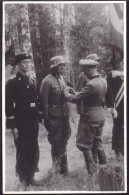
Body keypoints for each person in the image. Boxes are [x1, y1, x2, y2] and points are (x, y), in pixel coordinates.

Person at [64, 59, 107, 176]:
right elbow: (86, 94)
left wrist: (66, 93)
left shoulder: (91, 84)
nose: (84, 73)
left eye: (84, 71)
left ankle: (92, 174)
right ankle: (105, 170)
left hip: (90, 117)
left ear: (88, 70)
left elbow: (75, 99)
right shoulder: (102, 80)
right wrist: (75, 91)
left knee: (84, 145)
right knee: (98, 143)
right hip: (100, 114)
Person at [5, 52, 42, 186]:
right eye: (24, 62)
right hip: (20, 122)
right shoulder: (12, 82)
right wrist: (12, 126)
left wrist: (40, 117)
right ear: (18, 65)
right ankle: (22, 178)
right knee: (22, 148)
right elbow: (8, 106)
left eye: (28, 62)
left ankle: (31, 175)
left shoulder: (33, 80)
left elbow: (36, 101)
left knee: (33, 147)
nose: (27, 64)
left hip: (32, 121)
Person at [40, 56, 72, 176]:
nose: (63, 67)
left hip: (64, 115)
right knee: (56, 141)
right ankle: (57, 170)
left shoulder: (63, 79)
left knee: (64, 140)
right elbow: (44, 102)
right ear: (54, 67)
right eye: (60, 65)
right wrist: (46, 119)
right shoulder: (47, 81)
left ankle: (65, 170)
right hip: (54, 117)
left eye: (64, 65)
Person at [75, 53, 100, 163]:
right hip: (87, 112)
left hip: (93, 112)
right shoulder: (82, 76)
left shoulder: (95, 76)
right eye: (95, 61)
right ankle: (94, 164)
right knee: (89, 141)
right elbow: (78, 94)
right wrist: (80, 111)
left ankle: (96, 162)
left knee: (94, 141)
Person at [105, 61, 124, 161]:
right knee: (118, 128)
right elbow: (109, 92)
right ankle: (118, 151)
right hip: (118, 107)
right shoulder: (113, 75)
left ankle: (124, 150)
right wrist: (112, 108)